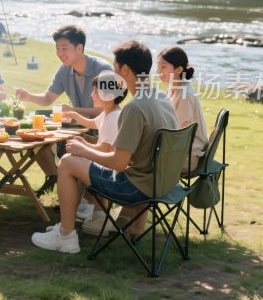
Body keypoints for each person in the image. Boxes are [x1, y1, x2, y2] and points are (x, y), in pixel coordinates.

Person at [30, 40, 177, 254]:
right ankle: (73, 224)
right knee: (77, 157)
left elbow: (118, 163)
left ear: (125, 70)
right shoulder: (161, 97)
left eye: (115, 69)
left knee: (68, 162)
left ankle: (66, 236)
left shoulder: (135, 109)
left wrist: (84, 150)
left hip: (135, 187)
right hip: (163, 182)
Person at [14, 25, 113, 188]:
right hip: (76, 125)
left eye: (64, 48)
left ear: (79, 48)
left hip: (100, 129)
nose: (60, 53)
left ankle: (82, 194)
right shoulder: (64, 70)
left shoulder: (104, 69)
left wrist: (73, 111)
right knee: (34, 123)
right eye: (57, 48)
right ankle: (55, 177)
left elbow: (107, 110)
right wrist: (28, 96)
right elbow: (47, 98)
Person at [62, 71, 128, 233]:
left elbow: (104, 150)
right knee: (74, 158)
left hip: (108, 170)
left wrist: (83, 146)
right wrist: (74, 115)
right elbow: (92, 123)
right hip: (106, 165)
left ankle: (89, 215)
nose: (92, 95)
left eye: (96, 91)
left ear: (109, 95)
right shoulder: (108, 113)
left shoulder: (113, 118)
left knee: (70, 161)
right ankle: (92, 213)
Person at [158, 46, 209, 170]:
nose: (159, 71)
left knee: (141, 160)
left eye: (163, 67)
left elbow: (179, 134)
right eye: (158, 66)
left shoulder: (185, 96)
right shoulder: (173, 87)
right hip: (178, 150)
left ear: (179, 69)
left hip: (188, 157)